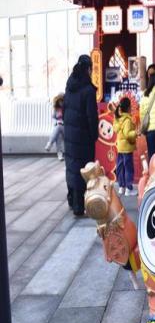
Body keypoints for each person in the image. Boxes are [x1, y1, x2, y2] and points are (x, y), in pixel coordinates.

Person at [64, 54, 98, 216]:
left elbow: (64, 108)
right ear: (88, 69)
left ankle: (72, 200)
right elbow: (92, 116)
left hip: (70, 134)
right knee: (83, 169)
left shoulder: (70, 85)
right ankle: (79, 206)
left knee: (71, 167)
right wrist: (94, 135)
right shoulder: (88, 90)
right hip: (83, 137)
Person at [113, 97, 137, 196]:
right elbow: (127, 134)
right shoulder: (127, 120)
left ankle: (121, 187)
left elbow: (116, 129)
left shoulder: (118, 119)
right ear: (128, 108)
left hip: (120, 147)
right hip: (127, 148)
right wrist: (135, 133)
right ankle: (128, 189)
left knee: (120, 167)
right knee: (128, 168)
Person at [45, 93, 65, 161]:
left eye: (62, 101)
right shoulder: (56, 109)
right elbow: (53, 118)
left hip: (65, 128)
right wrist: (57, 122)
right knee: (58, 135)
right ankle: (60, 155)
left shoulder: (66, 109)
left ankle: (50, 143)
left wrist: (62, 122)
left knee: (58, 127)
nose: (61, 103)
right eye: (59, 101)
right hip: (58, 127)